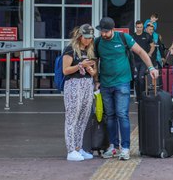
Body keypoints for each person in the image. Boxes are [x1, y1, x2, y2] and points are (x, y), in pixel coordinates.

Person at [95, 17, 159, 161]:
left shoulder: (124, 38)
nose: (103, 34)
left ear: (113, 29)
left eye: (106, 31)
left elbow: (141, 52)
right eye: (101, 32)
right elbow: (95, 61)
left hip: (122, 82)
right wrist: (96, 80)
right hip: (105, 84)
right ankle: (113, 147)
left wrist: (151, 68)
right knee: (110, 116)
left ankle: (125, 148)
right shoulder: (98, 42)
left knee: (122, 114)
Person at [62, 24, 97, 161]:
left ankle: (78, 147)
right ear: (80, 36)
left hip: (87, 84)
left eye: (90, 38)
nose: (88, 40)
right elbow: (65, 70)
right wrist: (80, 65)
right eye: (86, 37)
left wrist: (90, 70)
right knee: (72, 117)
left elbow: (93, 72)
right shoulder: (71, 49)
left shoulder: (89, 50)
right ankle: (71, 150)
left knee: (83, 117)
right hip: (73, 84)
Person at [131, 20, 155, 104]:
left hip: (144, 61)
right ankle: (138, 98)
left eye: (141, 27)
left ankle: (142, 97)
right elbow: (129, 47)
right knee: (136, 79)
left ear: (143, 27)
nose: (139, 29)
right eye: (138, 27)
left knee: (141, 78)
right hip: (135, 61)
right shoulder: (132, 36)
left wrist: (149, 54)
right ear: (135, 27)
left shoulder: (147, 35)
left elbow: (152, 46)